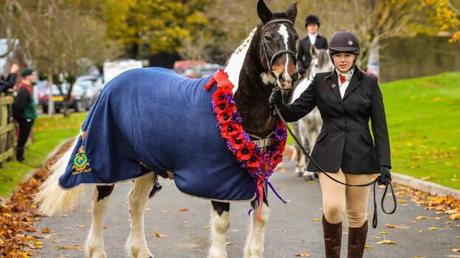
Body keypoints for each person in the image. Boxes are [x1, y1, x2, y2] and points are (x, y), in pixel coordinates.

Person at [270, 30, 392, 258]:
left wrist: (385, 164)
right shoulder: (320, 82)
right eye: (337, 55)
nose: (342, 59)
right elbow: (296, 112)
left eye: (347, 54)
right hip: (328, 154)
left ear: (355, 56)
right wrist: (280, 104)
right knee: (333, 208)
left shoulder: (370, 83)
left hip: (361, 156)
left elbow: (380, 127)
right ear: (332, 56)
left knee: (357, 214)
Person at [13, 68, 37, 162]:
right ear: (27, 76)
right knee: (22, 139)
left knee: (23, 138)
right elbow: (19, 106)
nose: (34, 77)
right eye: (33, 75)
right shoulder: (23, 89)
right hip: (25, 118)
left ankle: (21, 157)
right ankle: (20, 158)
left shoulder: (27, 88)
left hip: (28, 117)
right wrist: (19, 118)